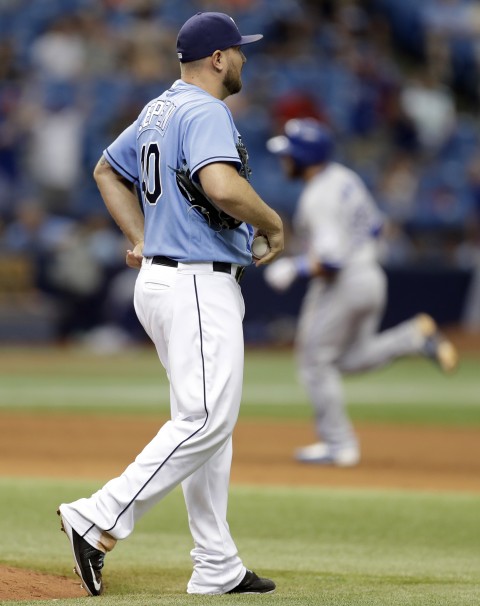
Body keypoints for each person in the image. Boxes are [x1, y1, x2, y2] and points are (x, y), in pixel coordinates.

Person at [57, 12, 283, 596]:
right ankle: (99, 516)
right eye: (237, 51)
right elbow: (222, 186)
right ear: (216, 59)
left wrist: (139, 237)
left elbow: (108, 170)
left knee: (209, 424)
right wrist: (274, 221)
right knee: (206, 419)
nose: (242, 59)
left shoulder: (158, 108)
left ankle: (216, 563)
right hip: (194, 284)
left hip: (165, 280)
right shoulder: (206, 109)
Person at [264, 118, 458, 467]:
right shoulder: (344, 177)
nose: (284, 160)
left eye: (289, 154)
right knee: (351, 358)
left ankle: (340, 444)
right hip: (371, 277)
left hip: (344, 283)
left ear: (305, 157)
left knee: (314, 362)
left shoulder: (317, 196)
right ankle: (412, 338)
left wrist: (295, 268)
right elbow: (377, 226)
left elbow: (332, 259)